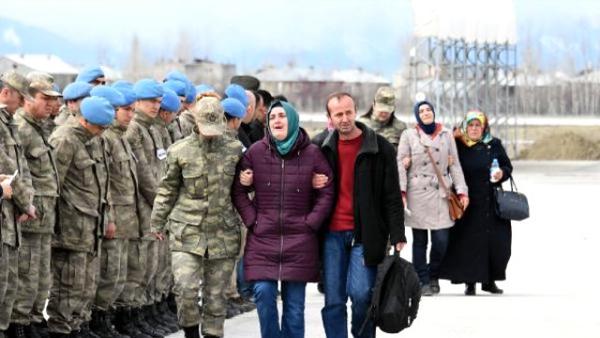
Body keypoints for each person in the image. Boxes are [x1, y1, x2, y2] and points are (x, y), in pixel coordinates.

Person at [232, 100, 334, 338]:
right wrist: (251, 220)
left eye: (282, 116)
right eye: (272, 117)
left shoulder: (312, 154)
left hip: (300, 240)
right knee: (263, 293)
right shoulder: (256, 152)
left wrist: (311, 223)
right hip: (262, 238)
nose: (276, 120)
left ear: (293, 119)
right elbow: (238, 190)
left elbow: (327, 191)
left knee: (295, 308)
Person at [151, 96, 243, 338]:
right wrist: (157, 221)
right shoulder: (179, 151)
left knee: (216, 295)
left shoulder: (235, 150)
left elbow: (244, 192)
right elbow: (167, 188)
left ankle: (213, 334)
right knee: (185, 288)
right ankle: (190, 332)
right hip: (187, 230)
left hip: (222, 232)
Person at [319, 92, 406, 338]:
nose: (344, 118)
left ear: (357, 111)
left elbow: (392, 196)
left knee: (362, 295)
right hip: (331, 236)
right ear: (330, 118)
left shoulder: (380, 147)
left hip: (366, 235)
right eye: (338, 114)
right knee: (334, 300)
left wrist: (397, 232)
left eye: (348, 112)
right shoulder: (321, 147)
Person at [46, 96, 114, 338]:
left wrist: (107, 218)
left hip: (90, 226)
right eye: (99, 127)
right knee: (68, 285)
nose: (102, 132)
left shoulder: (93, 140)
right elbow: (54, 186)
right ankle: (61, 330)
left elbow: (101, 185)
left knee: (86, 284)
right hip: (70, 228)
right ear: (84, 120)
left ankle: (78, 326)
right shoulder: (65, 139)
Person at [397, 100, 469, 296]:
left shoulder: (446, 135)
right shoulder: (409, 135)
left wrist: (462, 191)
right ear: (417, 115)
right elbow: (400, 165)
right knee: (420, 241)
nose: (426, 112)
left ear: (434, 112)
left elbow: (455, 166)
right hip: (418, 192)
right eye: (421, 110)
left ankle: (433, 273)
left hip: (441, 192)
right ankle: (423, 281)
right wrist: (402, 192)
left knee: (441, 240)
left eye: (429, 109)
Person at [439, 111, 513, 295]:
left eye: (477, 126)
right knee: (468, 243)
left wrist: (502, 174)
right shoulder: (458, 144)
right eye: (470, 125)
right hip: (467, 201)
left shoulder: (493, 144)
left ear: (484, 127)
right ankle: (469, 282)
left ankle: (490, 281)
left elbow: (507, 166)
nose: (473, 129)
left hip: (490, 202)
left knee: (497, 243)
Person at [12, 74, 61, 338]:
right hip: (28, 217)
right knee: (26, 274)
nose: (51, 105)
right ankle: (19, 324)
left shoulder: (39, 128)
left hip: (44, 217)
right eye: (45, 99)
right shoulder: (20, 128)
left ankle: (32, 319)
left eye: (53, 99)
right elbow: (16, 173)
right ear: (28, 98)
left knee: (41, 276)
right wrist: (25, 204)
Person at [125, 79, 167, 338]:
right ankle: (131, 315)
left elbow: (161, 166)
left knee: (152, 265)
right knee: (138, 265)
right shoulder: (135, 130)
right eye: (150, 101)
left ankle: (146, 311)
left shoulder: (152, 128)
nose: (155, 106)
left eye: (158, 102)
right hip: (143, 207)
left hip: (155, 206)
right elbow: (142, 172)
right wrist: (160, 200)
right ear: (137, 102)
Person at [0, 71, 36, 338]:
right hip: (5, 213)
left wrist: (26, 203)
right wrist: (26, 204)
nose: (24, 104)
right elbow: (5, 168)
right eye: (21, 98)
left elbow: (21, 172)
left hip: (11, 216)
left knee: (8, 286)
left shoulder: (9, 124)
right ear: (5, 93)